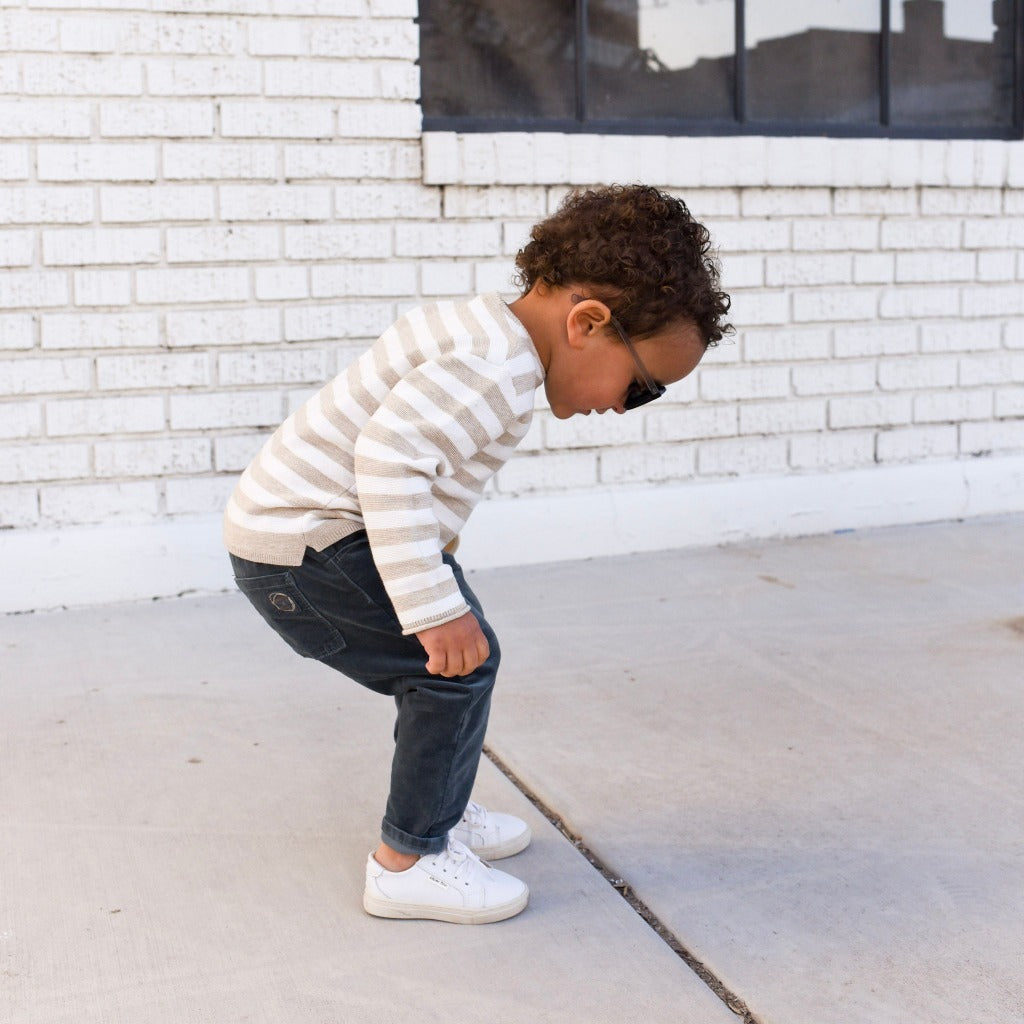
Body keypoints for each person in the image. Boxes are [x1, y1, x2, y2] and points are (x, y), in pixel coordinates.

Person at [223, 184, 731, 924]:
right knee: (450, 674)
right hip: (306, 546)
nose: (623, 409)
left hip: (316, 534)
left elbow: (415, 470)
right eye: (641, 387)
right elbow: (391, 464)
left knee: (464, 660)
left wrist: (439, 586)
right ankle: (411, 861)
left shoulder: (485, 336)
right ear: (589, 322)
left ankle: (439, 809)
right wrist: (434, 609)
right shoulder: (496, 372)